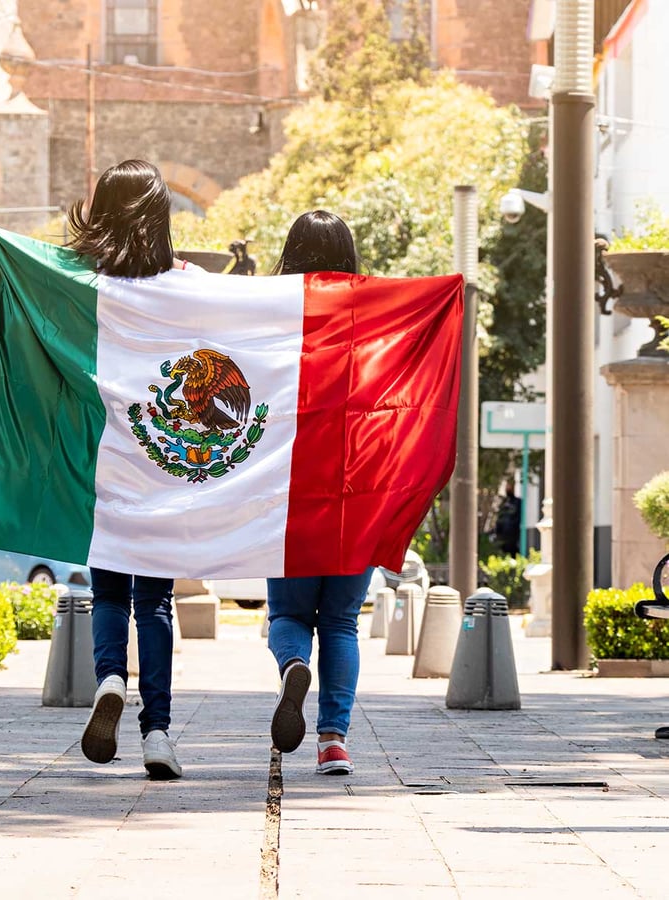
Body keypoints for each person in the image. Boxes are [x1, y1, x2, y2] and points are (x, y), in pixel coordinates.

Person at [64, 160, 195, 779]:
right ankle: (158, 733)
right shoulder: (186, 283)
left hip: (104, 464)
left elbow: (31, 273)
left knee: (109, 591)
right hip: (162, 462)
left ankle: (111, 677)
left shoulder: (80, 283)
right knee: (157, 602)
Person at [266, 210, 375, 776]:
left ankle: (292, 666)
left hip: (289, 492)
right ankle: (334, 740)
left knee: (287, 611)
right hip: (356, 493)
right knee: (341, 621)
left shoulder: (269, 312)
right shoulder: (376, 316)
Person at [494, 484, 522, 557]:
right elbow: (499, 517)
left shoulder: (518, 502)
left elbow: (519, 516)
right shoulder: (503, 503)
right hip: (503, 533)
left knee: (513, 551)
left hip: (513, 533)